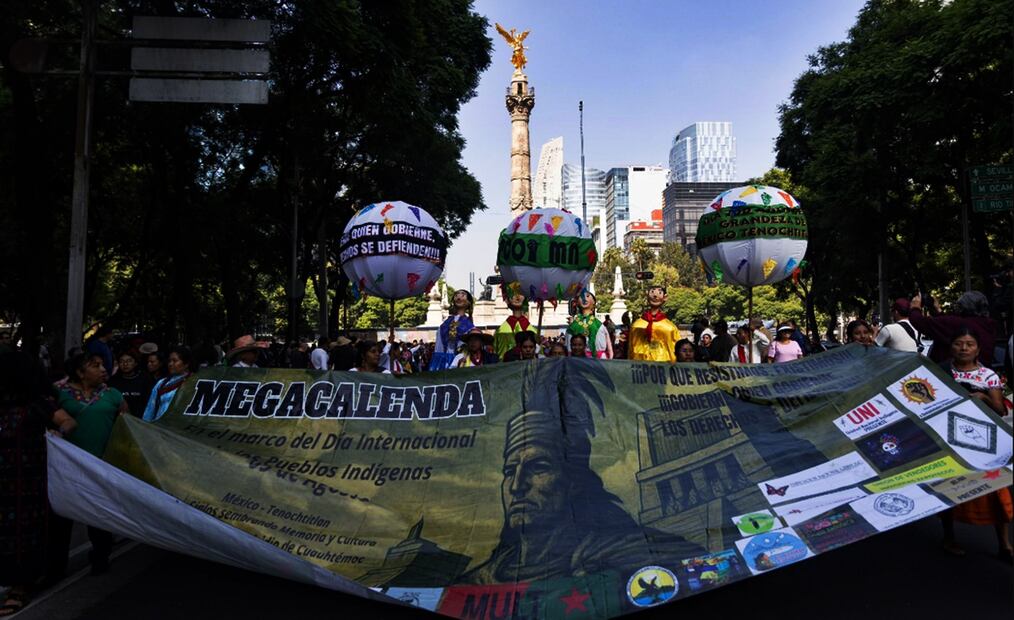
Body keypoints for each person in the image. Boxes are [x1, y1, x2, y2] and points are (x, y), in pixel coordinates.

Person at [460, 363, 703, 584]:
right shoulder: (478, 581)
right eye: (510, 471)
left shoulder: (632, 552)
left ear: (573, 480)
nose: (517, 486)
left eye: (539, 467)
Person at [0, 352, 76, 616]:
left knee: (23, 535)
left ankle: (21, 586)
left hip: (29, 486)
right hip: (4, 482)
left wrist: (58, 432)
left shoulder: (38, 404)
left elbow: (68, 421)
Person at [938, 327, 1011, 559]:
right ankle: (949, 537)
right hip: (950, 440)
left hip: (983, 441)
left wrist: (983, 397)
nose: (964, 348)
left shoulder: (988, 376)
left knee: (995, 489)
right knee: (949, 488)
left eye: (969, 344)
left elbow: (1000, 409)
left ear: (978, 349)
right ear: (951, 347)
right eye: (959, 343)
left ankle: (1005, 544)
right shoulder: (939, 372)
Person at [56, 352, 127, 574]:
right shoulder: (60, 394)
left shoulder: (113, 394)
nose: (103, 369)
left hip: (101, 466)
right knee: (62, 518)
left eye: (102, 365)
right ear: (80, 372)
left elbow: (127, 426)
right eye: (95, 366)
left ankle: (100, 557)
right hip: (67, 466)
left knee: (99, 515)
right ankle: (55, 568)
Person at [910, 291, 996, 367]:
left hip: (954, 378)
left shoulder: (958, 324)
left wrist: (915, 307)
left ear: (963, 306)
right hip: (980, 373)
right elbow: (946, 327)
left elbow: (920, 322)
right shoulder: (987, 325)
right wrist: (938, 311)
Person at [142, 346, 194, 422]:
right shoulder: (161, 383)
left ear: (186, 364)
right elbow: (150, 409)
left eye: (175, 361)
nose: (170, 364)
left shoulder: (194, 382)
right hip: (160, 428)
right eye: (169, 361)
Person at [629, 286, 679, 362]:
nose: (655, 296)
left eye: (659, 292)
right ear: (647, 295)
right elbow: (631, 349)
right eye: (652, 292)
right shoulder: (637, 325)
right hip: (640, 366)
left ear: (665, 297)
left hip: (664, 366)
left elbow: (676, 349)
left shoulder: (670, 327)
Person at [430, 289, 475, 370]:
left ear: (468, 302)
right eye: (456, 295)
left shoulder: (470, 326)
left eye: (462, 295)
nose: (459, 296)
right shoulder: (445, 324)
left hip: (461, 362)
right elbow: (439, 346)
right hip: (444, 362)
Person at [566, 290, 613, 359]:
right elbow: (569, 347)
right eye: (582, 297)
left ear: (594, 302)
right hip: (578, 360)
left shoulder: (599, 325)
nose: (584, 299)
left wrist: (610, 357)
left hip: (600, 359)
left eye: (587, 296)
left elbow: (609, 345)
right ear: (577, 303)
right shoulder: (573, 326)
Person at [109, 351, 153, 417]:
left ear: (135, 363)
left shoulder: (145, 379)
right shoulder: (113, 381)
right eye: (121, 361)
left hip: (141, 420)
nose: (125, 364)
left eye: (129, 361)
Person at [494, 292, 538, 360]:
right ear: (507, 299)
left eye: (520, 292)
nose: (517, 297)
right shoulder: (500, 332)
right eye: (513, 293)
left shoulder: (533, 331)